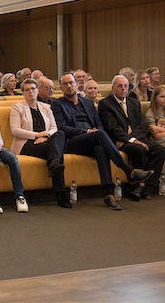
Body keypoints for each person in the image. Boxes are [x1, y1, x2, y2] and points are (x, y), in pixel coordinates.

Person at [51, 73, 152, 210]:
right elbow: (63, 128)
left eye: (71, 83)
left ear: (76, 84)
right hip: (73, 141)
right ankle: (127, 169)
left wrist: (94, 132)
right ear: (61, 88)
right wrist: (86, 132)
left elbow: (99, 124)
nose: (69, 86)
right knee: (99, 135)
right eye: (65, 84)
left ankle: (108, 194)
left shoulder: (87, 102)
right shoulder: (58, 104)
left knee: (100, 149)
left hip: (93, 139)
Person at [98, 75, 165, 199]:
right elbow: (112, 127)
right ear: (113, 88)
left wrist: (135, 139)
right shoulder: (106, 104)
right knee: (139, 149)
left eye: (126, 86)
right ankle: (133, 186)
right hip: (120, 140)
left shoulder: (134, 102)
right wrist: (132, 141)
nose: (123, 89)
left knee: (161, 151)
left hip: (135, 138)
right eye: (120, 86)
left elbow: (142, 124)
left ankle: (142, 186)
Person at [9, 79, 68, 207]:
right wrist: (37, 135)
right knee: (56, 151)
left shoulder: (46, 107)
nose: (31, 91)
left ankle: (55, 164)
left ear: (37, 90)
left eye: (33, 89)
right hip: (25, 143)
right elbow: (15, 130)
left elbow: (54, 128)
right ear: (23, 92)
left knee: (60, 135)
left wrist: (46, 137)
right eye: (27, 90)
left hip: (45, 141)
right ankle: (61, 192)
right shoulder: (17, 107)